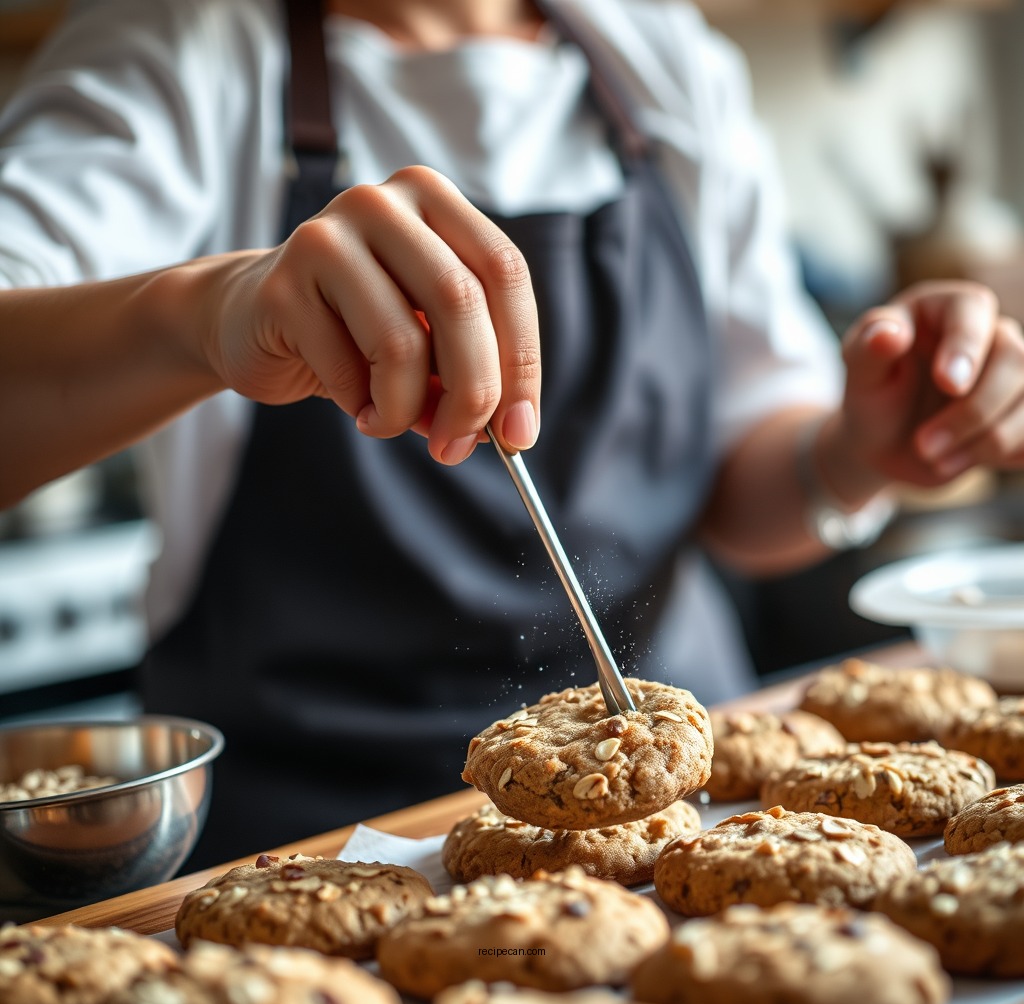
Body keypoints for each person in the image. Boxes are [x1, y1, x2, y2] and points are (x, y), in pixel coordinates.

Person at [2, 0, 1023, 868]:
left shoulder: (654, 53)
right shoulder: (179, 52)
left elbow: (744, 477)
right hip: (316, 835)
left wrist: (856, 453)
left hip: (697, 815)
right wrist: (207, 310)